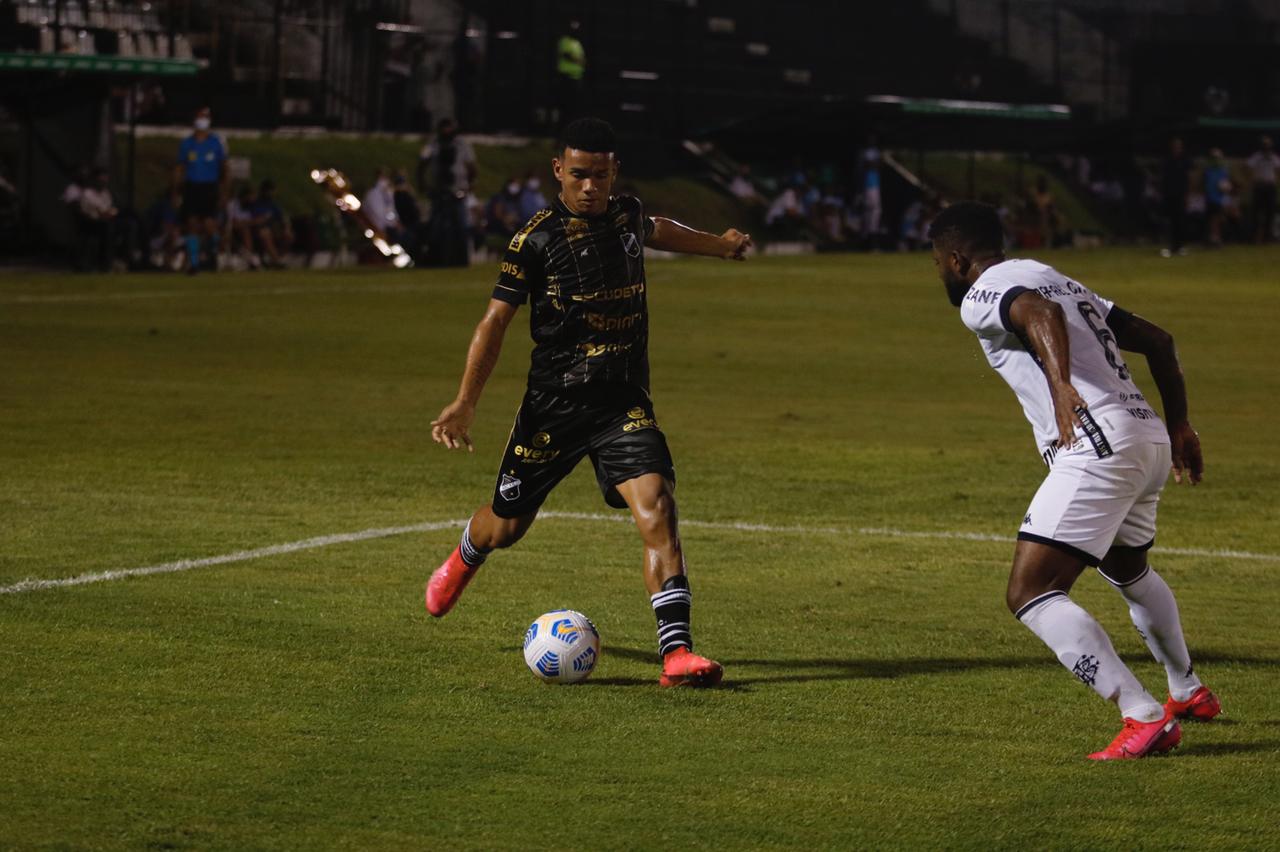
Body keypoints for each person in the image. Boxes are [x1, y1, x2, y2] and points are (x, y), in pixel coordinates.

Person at [426, 117, 753, 688]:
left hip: (622, 401)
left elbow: (659, 229)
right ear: (558, 170)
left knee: (657, 505)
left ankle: (676, 654)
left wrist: (719, 247)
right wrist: (464, 402)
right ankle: (464, 556)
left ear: (613, 173)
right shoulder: (535, 240)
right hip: (554, 405)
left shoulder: (625, 214)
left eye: (599, 175)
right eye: (578, 174)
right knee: (507, 526)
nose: (589, 187)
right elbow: (494, 322)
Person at [927, 201, 1219, 760]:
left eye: (938, 262)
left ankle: (1143, 715)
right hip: (1144, 434)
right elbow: (1159, 340)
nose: (940, 272)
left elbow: (1038, 315)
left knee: (1031, 592)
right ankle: (1187, 690)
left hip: (1097, 442)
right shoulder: (1055, 277)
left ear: (957, 259)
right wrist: (1179, 422)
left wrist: (1060, 386)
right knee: (1128, 568)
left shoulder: (984, 293)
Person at [173, 107, 228, 274]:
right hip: (192, 187)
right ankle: (194, 263)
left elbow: (225, 168)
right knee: (192, 224)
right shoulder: (187, 143)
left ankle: (215, 249)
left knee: (209, 224)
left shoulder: (216, 142)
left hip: (209, 187)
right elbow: (180, 168)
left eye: (205, 117)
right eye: (199, 116)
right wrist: (176, 191)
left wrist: (224, 191)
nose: (202, 120)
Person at [418, 118, 478, 267]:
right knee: (435, 227)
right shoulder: (433, 144)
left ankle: (461, 260)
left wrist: (468, 186)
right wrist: (424, 185)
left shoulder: (462, 145)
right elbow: (422, 163)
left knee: (461, 226)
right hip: (438, 191)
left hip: (457, 190)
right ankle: (434, 259)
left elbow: (471, 167)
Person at [78, 167, 118, 272]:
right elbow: (101, 212)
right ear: (95, 180)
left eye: (105, 180)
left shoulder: (105, 193)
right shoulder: (88, 194)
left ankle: (113, 262)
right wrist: (107, 213)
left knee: (127, 224)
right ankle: (104, 264)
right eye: (101, 180)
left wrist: (109, 213)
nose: (104, 182)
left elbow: (110, 210)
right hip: (90, 223)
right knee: (107, 228)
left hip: (103, 222)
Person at [1160, 137, 1191, 257]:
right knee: (1169, 221)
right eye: (1174, 145)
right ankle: (1170, 246)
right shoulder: (1167, 160)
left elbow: (1188, 178)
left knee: (1181, 221)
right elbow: (1163, 179)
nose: (1177, 148)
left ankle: (1180, 246)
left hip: (1181, 195)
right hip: (1168, 195)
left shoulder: (1185, 160)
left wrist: (1187, 195)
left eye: (1178, 146)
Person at [250, 179, 293, 267]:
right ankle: (277, 261)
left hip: (273, 229)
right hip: (258, 229)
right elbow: (252, 220)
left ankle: (275, 259)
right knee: (265, 234)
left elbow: (283, 217)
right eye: (271, 191)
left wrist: (287, 229)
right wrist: (262, 220)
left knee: (289, 237)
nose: (272, 193)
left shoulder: (272, 203)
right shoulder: (255, 203)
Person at [1246, 135, 1278, 243]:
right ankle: (1254, 237)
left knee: (1270, 212)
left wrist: (1275, 181)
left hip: (1270, 186)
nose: (1266, 147)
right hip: (1259, 186)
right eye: (1265, 145)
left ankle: (1268, 236)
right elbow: (1247, 167)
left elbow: (1278, 169)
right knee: (1256, 213)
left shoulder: (1273, 157)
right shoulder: (1256, 156)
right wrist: (1252, 180)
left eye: (1268, 145)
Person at [554, 19, 586, 125]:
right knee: (565, 106)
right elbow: (567, 55)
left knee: (574, 107)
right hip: (566, 78)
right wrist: (578, 60)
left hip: (576, 78)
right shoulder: (565, 41)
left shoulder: (577, 43)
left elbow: (582, 59)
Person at [1202, 148, 1231, 247]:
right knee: (1213, 220)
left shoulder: (1223, 171)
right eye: (1214, 158)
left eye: (1217, 158)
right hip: (1210, 198)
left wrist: (1225, 189)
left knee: (1218, 220)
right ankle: (1213, 239)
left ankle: (1215, 239)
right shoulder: (1208, 171)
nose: (1216, 160)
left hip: (1219, 199)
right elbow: (1204, 185)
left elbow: (1226, 186)